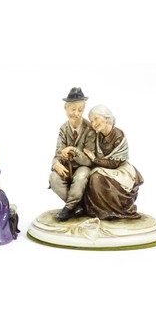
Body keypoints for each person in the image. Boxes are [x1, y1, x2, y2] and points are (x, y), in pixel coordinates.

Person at [82, 105, 143, 220]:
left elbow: (114, 164)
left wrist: (94, 159)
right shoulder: (97, 135)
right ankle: (98, 210)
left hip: (119, 170)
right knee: (88, 176)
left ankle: (112, 210)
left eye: (96, 119)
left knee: (96, 178)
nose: (94, 123)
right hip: (103, 167)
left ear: (106, 118)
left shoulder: (118, 135)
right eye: (91, 121)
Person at [49, 87, 96, 221]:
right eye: (73, 109)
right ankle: (77, 207)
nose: (76, 113)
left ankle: (68, 208)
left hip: (83, 167)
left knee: (81, 176)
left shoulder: (89, 129)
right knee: (53, 177)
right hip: (68, 167)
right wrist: (56, 164)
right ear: (65, 108)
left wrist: (73, 150)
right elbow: (58, 153)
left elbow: (89, 160)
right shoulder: (63, 129)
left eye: (80, 110)